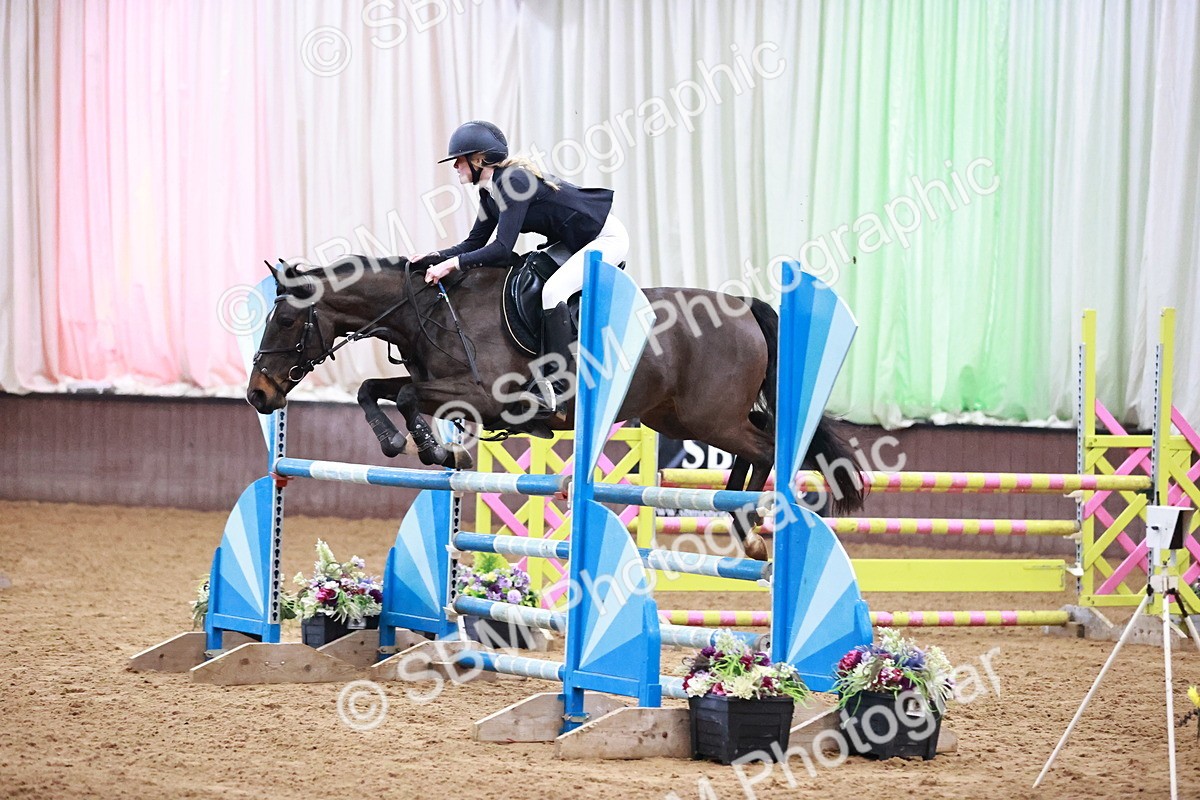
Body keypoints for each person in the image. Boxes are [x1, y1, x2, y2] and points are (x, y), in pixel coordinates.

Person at [411, 120, 629, 418]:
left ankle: (557, 383)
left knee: (553, 291)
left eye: (459, 160)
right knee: (531, 275)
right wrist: (434, 257)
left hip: (605, 238)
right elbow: (474, 242)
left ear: (479, 159)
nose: (456, 167)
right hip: (574, 241)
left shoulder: (512, 181)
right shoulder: (490, 191)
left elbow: (501, 250)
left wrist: (451, 264)